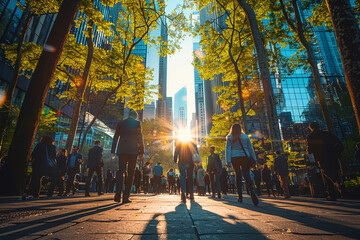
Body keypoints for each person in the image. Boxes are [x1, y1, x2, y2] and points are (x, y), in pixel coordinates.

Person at [112, 109, 144, 204]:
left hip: (122, 150)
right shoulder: (137, 123)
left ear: (129, 115)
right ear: (135, 116)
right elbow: (140, 138)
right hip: (133, 151)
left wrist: (113, 150)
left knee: (120, 171)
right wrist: (141, 151)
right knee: (131, 173)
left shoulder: (121, 123)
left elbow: (116, 136)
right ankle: (126, 197)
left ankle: (117, 194)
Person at [306, 122, 343, 200]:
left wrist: (312, 161)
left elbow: (309, 150)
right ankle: (333, 194)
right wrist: (337, 155)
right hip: (333, 157)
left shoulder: (311, 136)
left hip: (322, 158)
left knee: (327, 174)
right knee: (332, 172)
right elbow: (339, 145)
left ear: (311, 128)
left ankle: (336, 183)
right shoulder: (328, 134)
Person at [225, 123, 258, 206]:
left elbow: (228, 149)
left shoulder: (229, 137)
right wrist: (254, 159)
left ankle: (240, 196)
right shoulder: (245, 137)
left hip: (234, 158)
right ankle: (251, 191)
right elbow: (250, 148)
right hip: (244, 157)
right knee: (246, 175)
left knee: (238, 175)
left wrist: (228, 161)